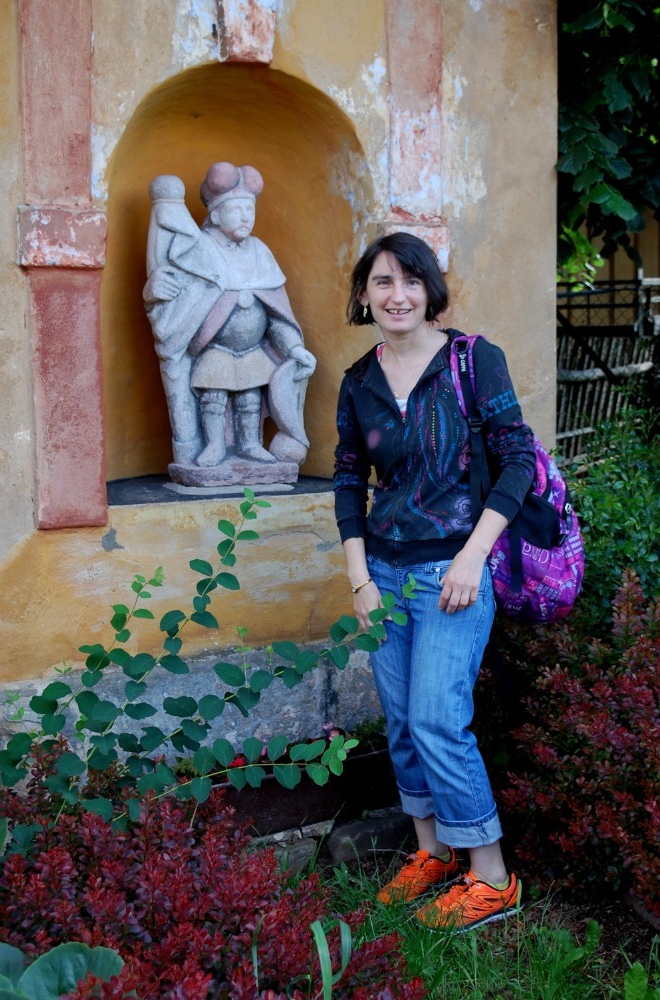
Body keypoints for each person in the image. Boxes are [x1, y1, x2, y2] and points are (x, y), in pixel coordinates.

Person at [333, 232, 536, 932]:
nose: (398, 296)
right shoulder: (359, 381)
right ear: (364, 295)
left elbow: (517, 460)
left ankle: (493, 878)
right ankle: (434, 852)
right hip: (383, 573)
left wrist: (473, 556)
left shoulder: (472, 360)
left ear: (430, 290)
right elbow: (347, 478)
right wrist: (359, 578)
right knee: (400, 722)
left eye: (411, 281)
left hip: (453, 571)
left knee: (436, 719)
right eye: (382, 282)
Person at [144, 163, 315, 469]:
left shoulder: (261, 252)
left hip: (252, 350)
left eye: (250, 209)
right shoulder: (198, 249)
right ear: (215, 215)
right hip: (215, 348)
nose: (245, 216)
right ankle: (214, 446)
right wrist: (153, 289)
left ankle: (250, 444)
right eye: (236, 209)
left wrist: (293, 348)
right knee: (213, 398)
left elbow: (278, 316)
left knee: (250, 398)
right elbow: (175, 296)